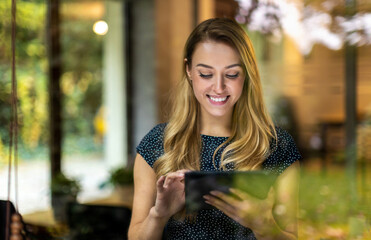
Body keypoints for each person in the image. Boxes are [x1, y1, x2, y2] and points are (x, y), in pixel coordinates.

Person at [128, 18, 301, 240]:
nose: (218, 87)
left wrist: (265, 225)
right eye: (206, 74)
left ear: (246, 75)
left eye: (231, 74)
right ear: (189, 70)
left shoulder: (277, 146)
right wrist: (158, 215)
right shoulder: (158, 143)